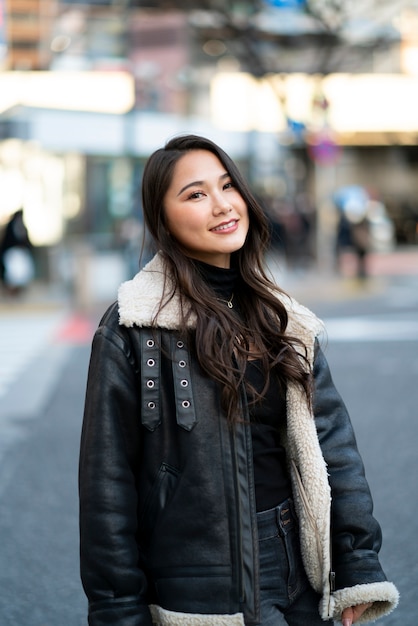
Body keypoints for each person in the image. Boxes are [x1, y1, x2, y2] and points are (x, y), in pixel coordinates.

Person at [79, 135, 399, 626]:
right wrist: (119, 611)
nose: (223, 204)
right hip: (202, 581)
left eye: (227, 186)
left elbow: (333, 446)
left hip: (302, 568)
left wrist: (356, 560)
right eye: (196, 194)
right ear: (161, 219)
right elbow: (107, 489)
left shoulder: (282, 319)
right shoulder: (133, 328)